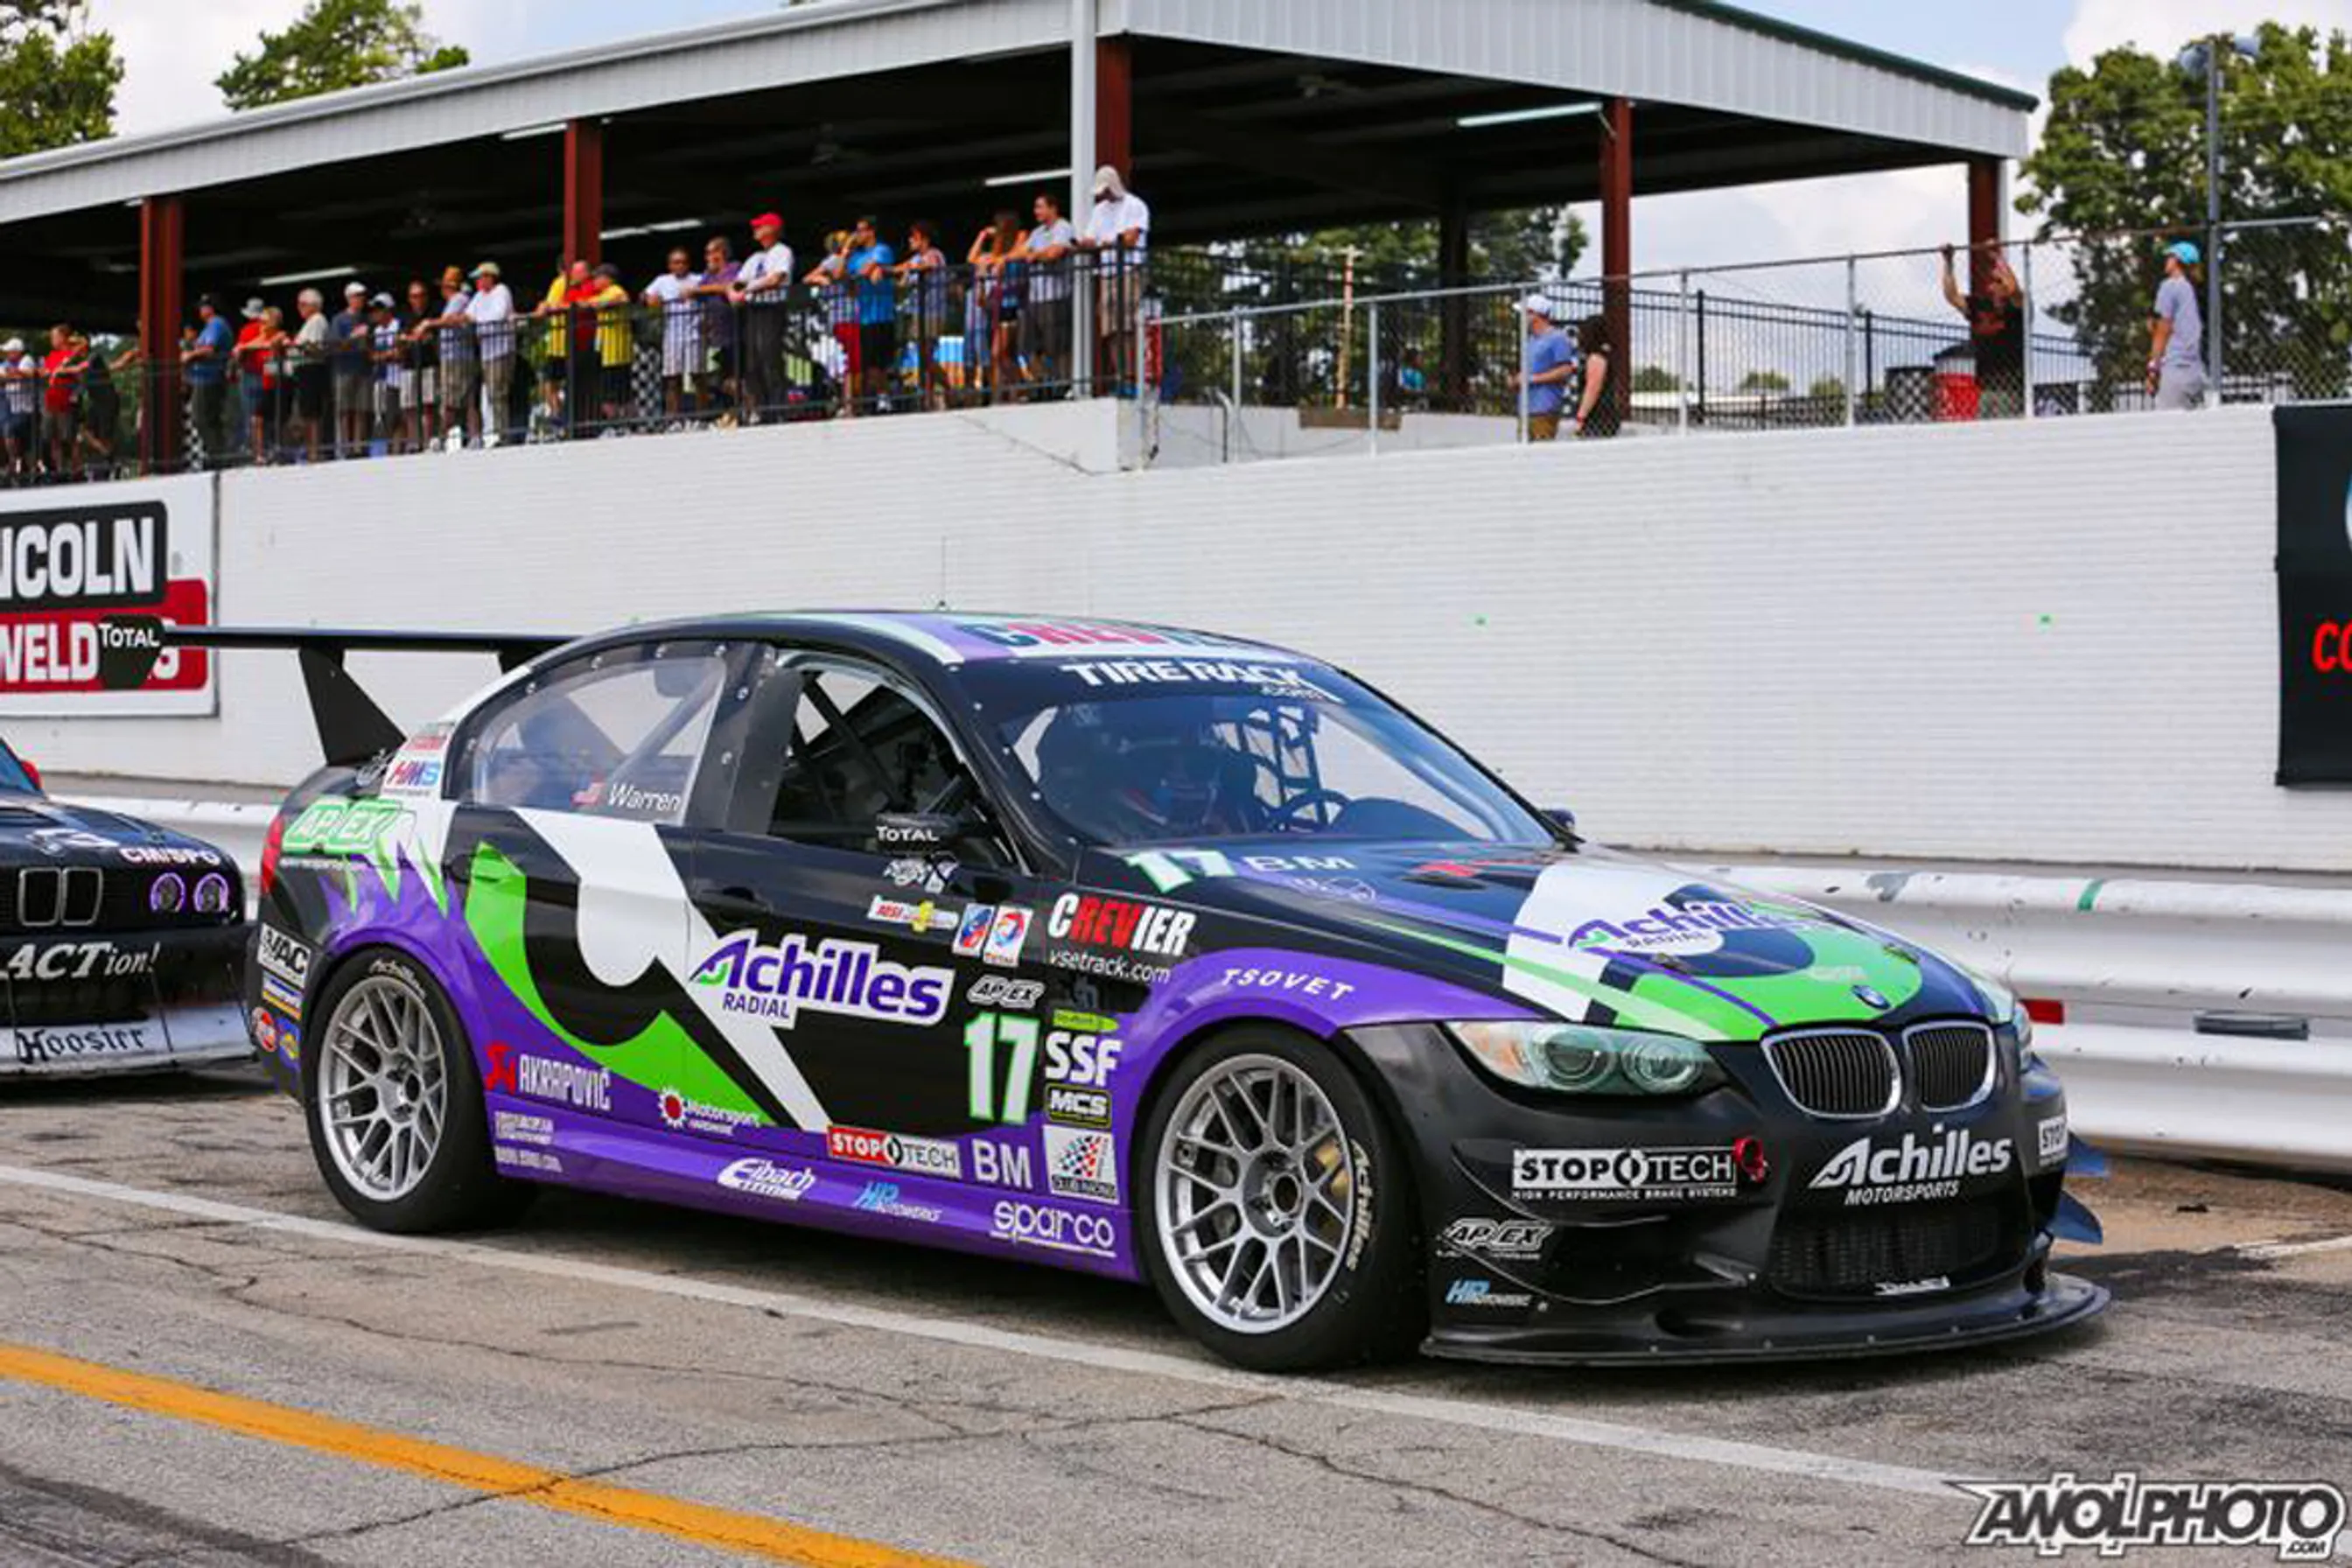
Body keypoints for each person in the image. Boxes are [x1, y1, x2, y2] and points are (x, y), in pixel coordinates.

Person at [1078, 164, 1151, 391]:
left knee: (1127, 325)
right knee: (1110, 328)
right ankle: (1120, 376)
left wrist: (1107, 242)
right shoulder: (1099, 210)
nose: (1104, 195)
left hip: (1129, 269)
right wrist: (1088, 243)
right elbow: (1091, 238)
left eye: (1106, 190)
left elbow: (1130, 239)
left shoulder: (1135, 205)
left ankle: (1132, 377)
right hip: (1108, 272)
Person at [1940, 241, 2025, 418]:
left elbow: (2014, 290)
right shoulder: (1981, 306)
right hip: (1986, 387)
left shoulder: (2015, 309)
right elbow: (1951, 296)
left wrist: (1997, 257)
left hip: (2009, 388)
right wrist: (1948, 262)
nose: (1991, 286)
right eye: (1991, 282)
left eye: (1997, 281)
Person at [733, 212, 794, 423]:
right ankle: (763, 409)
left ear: (773, 229)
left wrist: (747, 290)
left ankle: (778, 408)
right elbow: (738, 282)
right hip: (754, 309)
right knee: (752, 362)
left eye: (760, 226)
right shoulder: (755, 257)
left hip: (772, 307)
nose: (756, 230)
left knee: (770, 356)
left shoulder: (782, 251)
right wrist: (733, 292)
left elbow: (776, 278)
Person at [1016, 192, 1075, 395]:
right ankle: (1044, 382)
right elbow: (1021, 252)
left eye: (1040, 207)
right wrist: (1002, 259)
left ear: (1053, 208)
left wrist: (1035, 255)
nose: (1036, 211)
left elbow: (1055, 253)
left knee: (1057, 345)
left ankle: (1064, 384)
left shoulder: (1063, 227)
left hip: (1056, 296)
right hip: (1035, 297)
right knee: (1026, 346)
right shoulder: (1037, 232)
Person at [643, 247, 704, 426]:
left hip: (694, 334)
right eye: (676, 262)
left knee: (697, 376)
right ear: (670, 265)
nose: (680, 266)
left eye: (683, 262)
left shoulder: (698, 279)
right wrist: (649, 299)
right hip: (672, 335)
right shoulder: (662, 281)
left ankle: (703, 417)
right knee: (672, 378)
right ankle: (673, 419)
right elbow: (644, 295)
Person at [968, 211, 1025, 403]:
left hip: (1010, 306)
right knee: (1003, 355)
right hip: (995, 308)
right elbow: (972, 258)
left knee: (999, 353)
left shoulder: (1015, 249)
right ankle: (1010, 391)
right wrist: (983, 235)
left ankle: (1018, 387)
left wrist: (1002, 259)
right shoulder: (993, 256)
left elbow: (1021, 250)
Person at [893, 220, 948, 411]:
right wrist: (882, 270)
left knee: (926, 354)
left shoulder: (935, 254)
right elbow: (900, 269)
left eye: (913, 237)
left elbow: (928, 266)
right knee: (923, 356)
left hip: (933, 312)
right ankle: (929, 395)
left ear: (923, 238)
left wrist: (910, 268)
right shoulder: (915, 259)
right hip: (917, 312)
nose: (910, 240)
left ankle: (946, 387)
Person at [802, 229, 857, 415]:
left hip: (850, 315)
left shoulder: (853, 260)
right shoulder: (835, 260)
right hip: (842, 316)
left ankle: (848, 402)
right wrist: (822, 279)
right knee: (846, 362)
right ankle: (846, 403)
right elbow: (808, 278)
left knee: (849, 362)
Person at [2149, 239, 2207, 410]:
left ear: (2177, 261)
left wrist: (2153, 368)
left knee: (2168, 425)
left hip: (2175, 370)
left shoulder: (2169, 286)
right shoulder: (2188, 288)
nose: (2166, 261)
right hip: (2195, 372)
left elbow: (2163, 329)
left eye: (2170, 257)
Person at [846, 217, 897, 413]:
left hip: (882, 314)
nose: (857, 235)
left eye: (861, 230)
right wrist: (845, 252)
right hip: (864, 316)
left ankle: (885, 398)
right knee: (867, 364)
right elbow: (843, 276)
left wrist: (861, 274)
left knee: (878, 364)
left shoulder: (882, 250)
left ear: (871, 232)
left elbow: (866, 270)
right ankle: (875, 399)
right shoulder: (855, 256)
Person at [427, 266, 477, 449]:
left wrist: (428, 324)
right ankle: (472, 435)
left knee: (451, 399)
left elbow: (449, 321)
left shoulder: (459, 299)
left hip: (456, 356)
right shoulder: (457, 300)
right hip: (456, 355)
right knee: (464, 398)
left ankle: (441, 437)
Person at [467, 261, 517, 445]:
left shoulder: (501, 291)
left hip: (501, 350)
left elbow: (498, 315)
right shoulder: (479, 296)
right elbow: (468, 315)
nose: (477, 282)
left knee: (498, 393)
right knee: (491, 394)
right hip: (487, 353)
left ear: (489, 277)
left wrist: (478, 322)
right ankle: (496, 431)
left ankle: (502, 434)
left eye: (480, 278)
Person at [691, 235, 741, 418]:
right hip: (714, 334)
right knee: (718, 378)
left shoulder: (734, 267)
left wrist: (700, 290)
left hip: (734, 332)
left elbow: (729, 286)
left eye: (710, 252)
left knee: (734, 377)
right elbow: (697, 292)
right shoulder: (708, 275)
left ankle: (747, 409)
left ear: (722, 253)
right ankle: (730, 413)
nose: (707, 257)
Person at [185, 295, 236, 467]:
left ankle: (217, 456)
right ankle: (215, 455)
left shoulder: (216, 324)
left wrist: (189, 356)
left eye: (203, 306)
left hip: (210, 378)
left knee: (202, 417)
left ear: (210, 308)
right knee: (206, 418)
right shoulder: (209, 327)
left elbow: (209, 350)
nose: (200, 310)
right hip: (203, 378)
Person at [1513, 298, 1575, 441]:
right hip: (1526, 407)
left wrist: (1532, 379)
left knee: (1542, 449)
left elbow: (1565, 370)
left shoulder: (1557, 338)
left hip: (1544, 407)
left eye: (1525, 313)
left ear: (1535, 314)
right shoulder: (1530, 340)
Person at [285, 289, 333, 463]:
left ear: (313, 305)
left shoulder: (317, 320)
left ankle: (314, 451)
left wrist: (293, 345)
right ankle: (310, 450)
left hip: (311, 370)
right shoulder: (309, 323)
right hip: (304, 370)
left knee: (312, 413)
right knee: (306, 412)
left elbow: (315, 348)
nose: (300, 308)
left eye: (303, 304)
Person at [238, 304, 289, 465]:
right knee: (257, 419)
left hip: (280, 384)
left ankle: (278, 452)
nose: (262, 324)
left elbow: (276, 344)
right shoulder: (260, 335)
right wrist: (249, 346)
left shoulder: (281, 335)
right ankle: (259, 455)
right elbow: (243, 348)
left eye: (266, 321)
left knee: (276, 420)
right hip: (268, 384)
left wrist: (253, 345)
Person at [330, 281, 374, 457]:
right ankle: (345, 447)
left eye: (362, 296)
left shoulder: (367, 319)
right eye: (357, 296)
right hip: (344, 370)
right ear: (348, 298)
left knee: (361, 409)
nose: (361, 299)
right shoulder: (339, 320)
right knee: (345, 410)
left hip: (364, 370)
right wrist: (354, 336)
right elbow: (335, 345)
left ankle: (359, 447)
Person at [398, 279, 440, 451]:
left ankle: (428, 441)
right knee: (410, 406)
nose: (418, 299)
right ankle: (414, 441)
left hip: (429, 365)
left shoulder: (433, 314)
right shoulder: (405, 317)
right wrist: (414, 338)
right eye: (414, 296)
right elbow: (401, 339)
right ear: (409, 298)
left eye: (421, 295)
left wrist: (412, 338)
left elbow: (431, 337)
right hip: (409, 366)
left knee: (428, 405)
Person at [40, 324, 83, 478]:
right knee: (51, 438)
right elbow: (45, 372)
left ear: (63, 338)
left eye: (55, 336)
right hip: (50, 401)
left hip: (66, 402)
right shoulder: (52, 355)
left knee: (68, 438)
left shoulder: (74, 354)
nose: (52, 340)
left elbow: (80, 375)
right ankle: (58, 471)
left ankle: (76, 471)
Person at [1571, 313, 1619, 438]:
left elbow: (1592, 388)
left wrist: (1580, 417)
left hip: (1597, 417)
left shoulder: (1595, 358)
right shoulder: (1606, 355)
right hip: (1605, 416)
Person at [0, 339, 37, 482]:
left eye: (9, 351)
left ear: (17, 352)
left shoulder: (27, 360)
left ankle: (30, 472)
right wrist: (12, 375)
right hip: (12, 408)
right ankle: (14, 465)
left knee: (25, 442)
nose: (6, 354)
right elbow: (3, 377)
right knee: (9, 433)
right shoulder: (5, 364)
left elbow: (29, 373)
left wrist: (14, 374)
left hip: (26, 408)